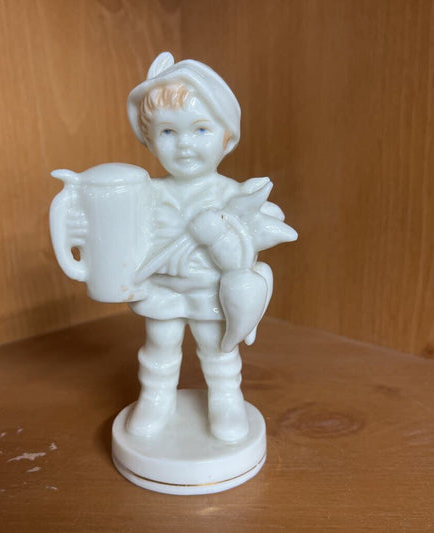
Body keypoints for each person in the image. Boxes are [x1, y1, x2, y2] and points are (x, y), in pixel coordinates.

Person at [125, 52, 297, 443]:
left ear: (227, 136)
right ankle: (156, 399)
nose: (184, 144)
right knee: (159, 346)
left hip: (210, 293)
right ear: (149, 139)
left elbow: (245, 245)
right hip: (162, 290)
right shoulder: (145, 193)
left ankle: (225, 399)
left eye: (200, 129)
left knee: (217, 347)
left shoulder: (234, 195)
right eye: (168, 132)